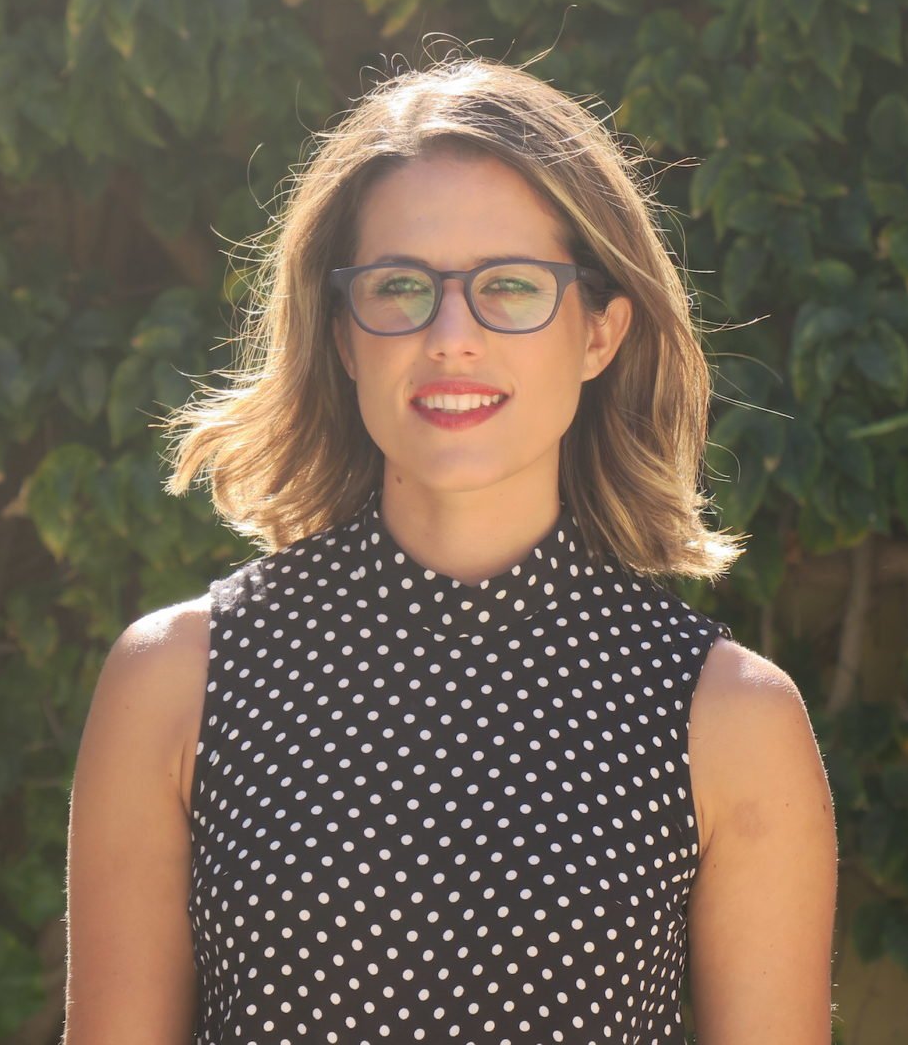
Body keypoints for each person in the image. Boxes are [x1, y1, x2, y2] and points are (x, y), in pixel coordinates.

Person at [63, 55, 838, 1045]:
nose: (451, 337)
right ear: (344, 335)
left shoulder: (730, 720)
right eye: (400, 287)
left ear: (601, 334)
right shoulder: (177, 681)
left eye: (510, 288)